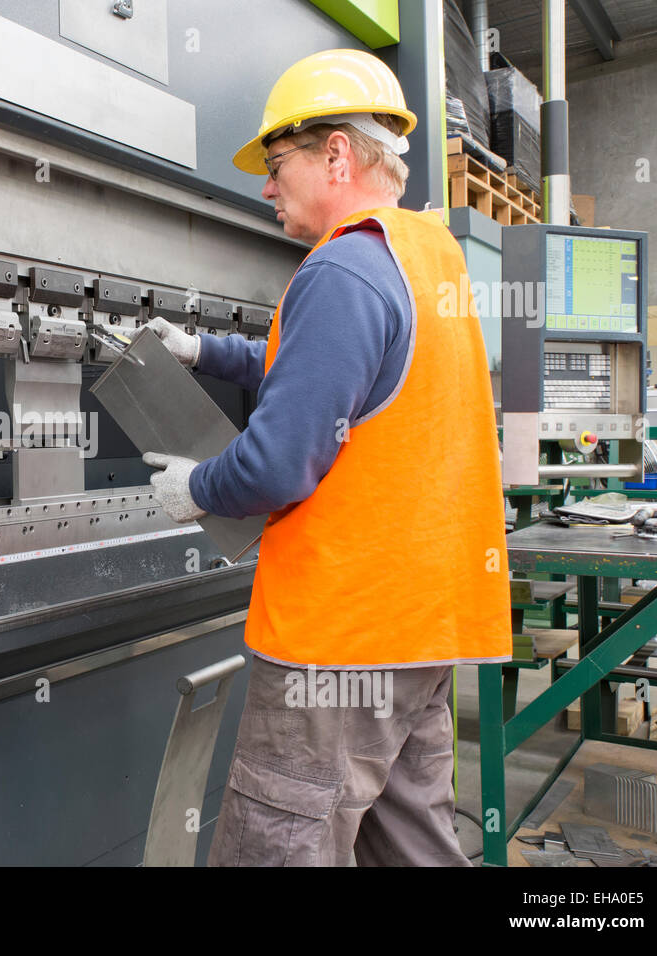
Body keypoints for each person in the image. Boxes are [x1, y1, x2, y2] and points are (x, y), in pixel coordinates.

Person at [142, 49, 511, 866]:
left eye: (277, 165)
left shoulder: (340, 267)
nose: (267, 187)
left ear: (336, 155)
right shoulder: (422, 257)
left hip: (337, 644)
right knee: (411, 843)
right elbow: (337, 377)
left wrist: (194, 487)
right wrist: (203, 349)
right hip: (417, 633)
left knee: (281, 845)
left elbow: (279, 462)